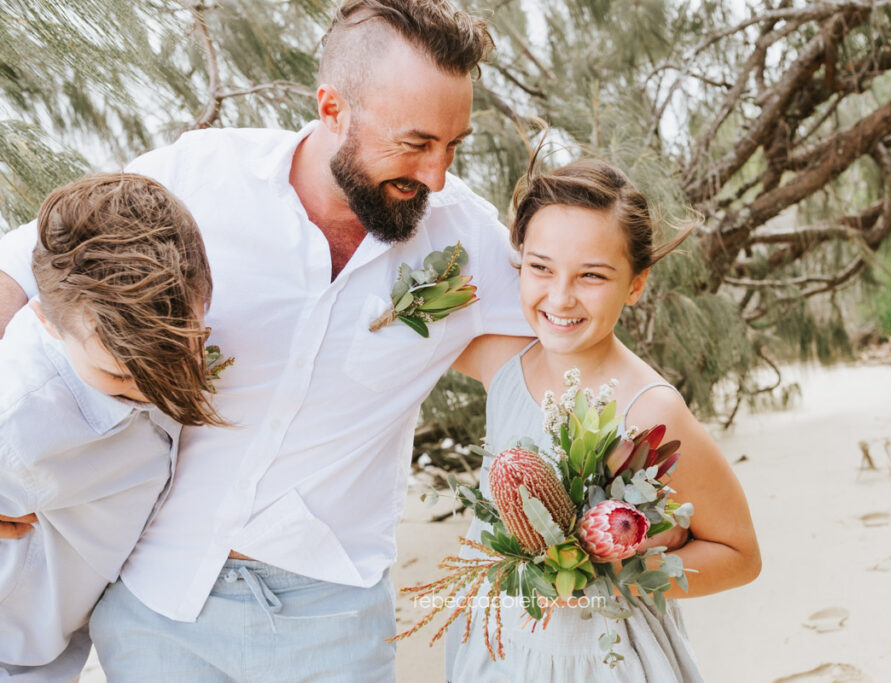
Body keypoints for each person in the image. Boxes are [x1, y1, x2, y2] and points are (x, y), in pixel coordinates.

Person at [0, 1, 528, 680]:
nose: (436, 174)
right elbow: (26, 270)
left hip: (333, 621)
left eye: (454, 146)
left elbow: (564, 350)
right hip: (156, 604)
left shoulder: (466, 238)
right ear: (332, 109)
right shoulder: (201, 174)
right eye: (416, 143)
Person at [448, 158, 762, 681]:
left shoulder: (650, 411)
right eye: (540, 267)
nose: (560, 296)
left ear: (636, 285)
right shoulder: (500, 365)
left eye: (592, 275)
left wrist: (614, 572)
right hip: (495, 649)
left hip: (601, 662)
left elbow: (740, 555)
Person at [0, 173, 223, 681]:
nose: (151, 389)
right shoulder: (20, 412)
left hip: (58, 647)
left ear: (205, 298)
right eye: (120, 377)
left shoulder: (166, 303)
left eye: (174, 358)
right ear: (46, 320)